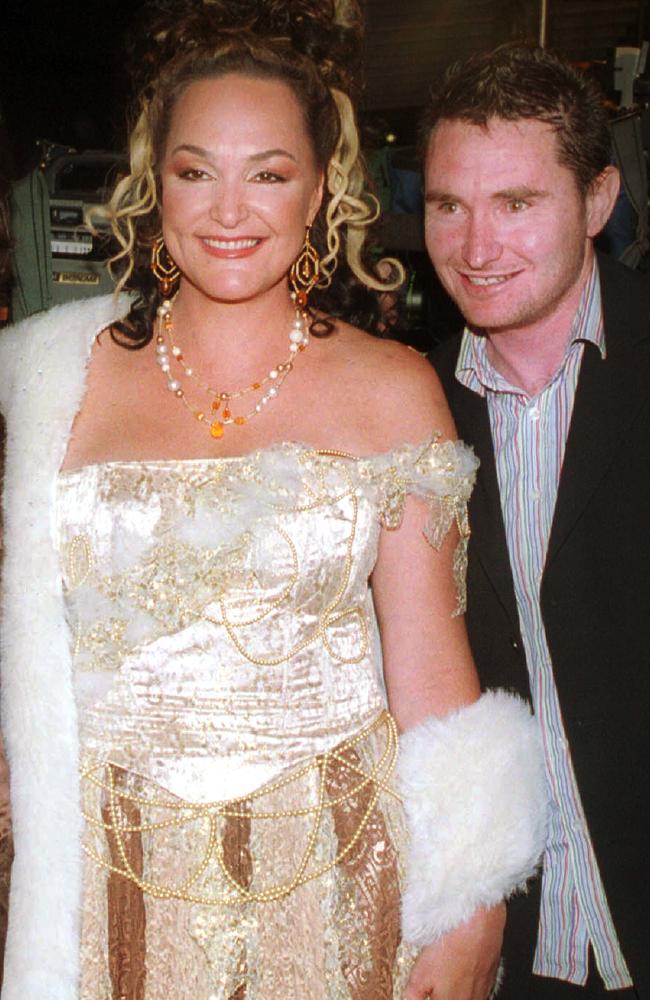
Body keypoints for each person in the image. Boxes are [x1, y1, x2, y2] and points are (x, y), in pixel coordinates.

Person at [0, 6, 547, 998]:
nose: (228, 208)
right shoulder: (49, 379)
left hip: (332, 876)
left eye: (268, 173)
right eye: (195, 169)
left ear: (319, 190)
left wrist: (472, 901)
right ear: (153, 185)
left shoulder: (390, 387)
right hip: (101, 881)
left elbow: (432, 675)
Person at [426, 43, 650, 1000]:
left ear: (598, 202)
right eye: (449, 206)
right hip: (515, 945)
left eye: (517, 204)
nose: (477, 248)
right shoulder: (411, 405)